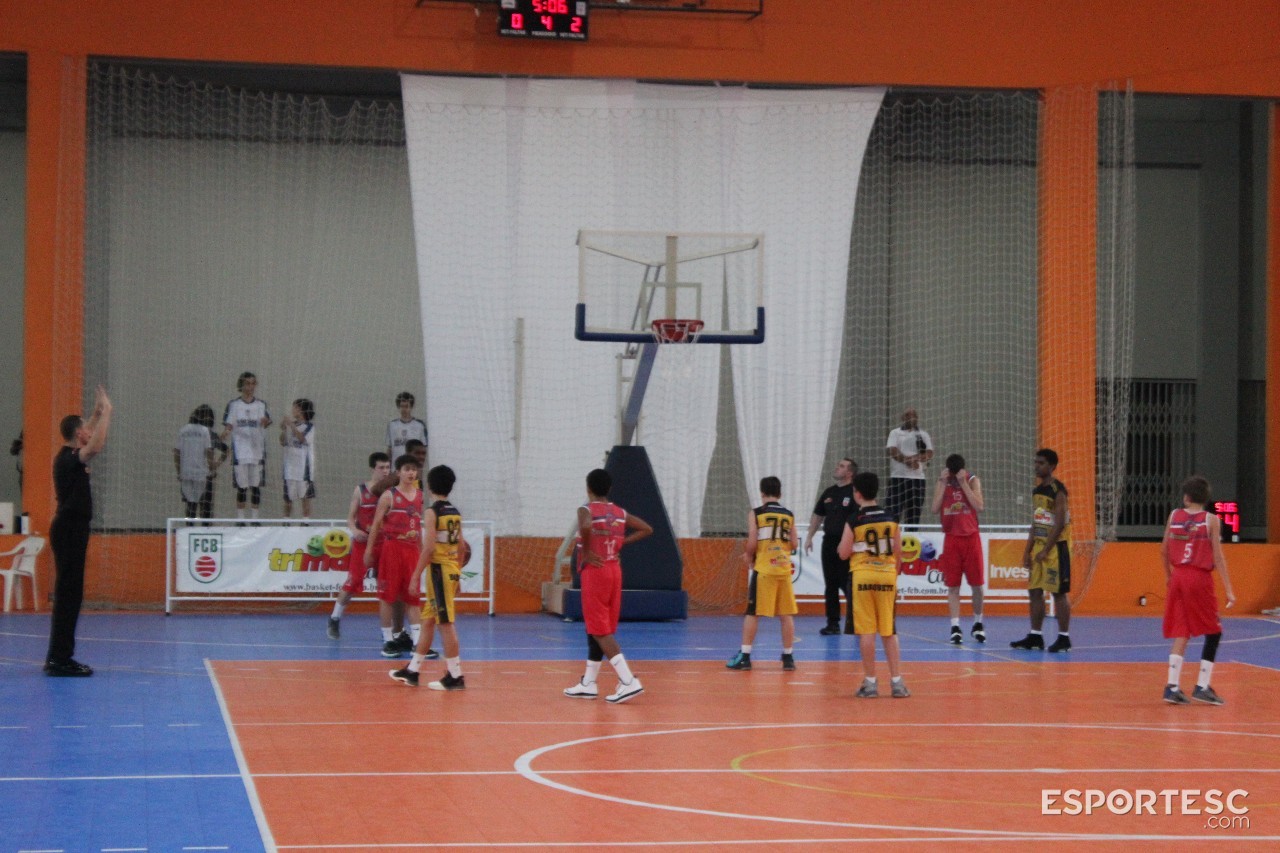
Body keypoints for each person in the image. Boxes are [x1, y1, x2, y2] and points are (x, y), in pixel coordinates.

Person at [563, 468, 653, 703]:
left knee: (600, 629)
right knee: (597, 627)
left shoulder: (586, 509)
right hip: (615, 570)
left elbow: (585, 525)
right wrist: (621, 542)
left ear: (588, 488)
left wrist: (590, 550)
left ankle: (628, 680)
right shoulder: (620, 512)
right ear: (609, 488)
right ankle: (589, 683)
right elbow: (646, 528)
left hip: (596, 571)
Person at [44, 385, 113, 677]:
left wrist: (95, 414)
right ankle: (60, 659)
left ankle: (60, 656)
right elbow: (95, 446)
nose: (89, 429)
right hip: (69, 529)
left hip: (71, 529)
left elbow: (87, 436)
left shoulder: (70, 455)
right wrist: (107, 412)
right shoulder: (70, 458)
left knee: (70, 594)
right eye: (86, 427)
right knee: (68, 594)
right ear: (78, 435)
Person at [1161, 475, 1236, 705]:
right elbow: (1218, 557)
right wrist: (1229, 589)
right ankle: (1202, 686)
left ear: (1186, 496)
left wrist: (1169, 578)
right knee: (1214, 631)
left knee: (1182, 631)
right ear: (1205, 498)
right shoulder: (1211, 520)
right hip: (1199, 578)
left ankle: (1172, 687)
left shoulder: (1174, 516)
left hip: (1178, 576)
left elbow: (1163, 551)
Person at [391, 465, 467, 690]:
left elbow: (428, 548)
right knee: (428, 622)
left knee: (445, 624)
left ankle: (456, 675)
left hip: (439, 571)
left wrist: (415, 576)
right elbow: (462, 547)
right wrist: (458, 574)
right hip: (450, 568)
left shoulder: (432, 512)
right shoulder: (454, 511)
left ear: (429, 485)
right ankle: (413, 671)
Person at [837, 471, 909, 698]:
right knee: (889, 629)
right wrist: (891, 572)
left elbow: (843, 552)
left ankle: (870, 683)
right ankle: (897, 682)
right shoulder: (892, 517)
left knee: (867, 631)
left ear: (857, 494)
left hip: (863, 577)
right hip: (887, 576)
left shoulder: (855, 520)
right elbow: (899, 553)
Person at [727, 476, 798, 671]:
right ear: (780, 494)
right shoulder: (788, 514)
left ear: (762, 493)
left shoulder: (757, 513)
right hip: (783, 569)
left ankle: (745, 656)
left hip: (765, 568)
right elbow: (794, 544)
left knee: (753, 613)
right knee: (786, 614)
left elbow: (752, 540)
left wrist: (749, 555)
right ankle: (788, 657)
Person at [1011, 448, 1073, 653]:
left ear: (1052, 466)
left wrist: (1046, 549)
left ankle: (1064, 638)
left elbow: (1060, 523)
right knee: (1035, 591)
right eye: (1035, 462)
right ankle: (1035, 636)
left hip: (1056, 548)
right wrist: (1026, 552)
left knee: (1058, 593)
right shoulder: (1037, 491)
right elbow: (1035, 522)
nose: (1037, 466)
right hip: (1039, 547)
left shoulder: (1058, 490)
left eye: (1041, 463)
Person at [327, 451, 393, 640]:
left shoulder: (392, 492)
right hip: (363, 544)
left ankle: (390, 632)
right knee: (353, 581)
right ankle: (335, 617)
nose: (385, 471)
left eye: (388, 467)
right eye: (381, 468)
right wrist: (354, 531)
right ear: (373, 468)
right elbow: (350, 517)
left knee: (387, 585)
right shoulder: (361, 490)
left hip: (384, 543)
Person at [364, 455, 424, 658]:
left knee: (413, 595)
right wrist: (369, 550)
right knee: (387, 596)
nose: (411, 473)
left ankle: (418, 642)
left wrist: (423, 550)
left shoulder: (420, 495)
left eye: (414, 469)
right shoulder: (389, 496)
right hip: (392, 549)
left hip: (412, 551)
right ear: (398, 472)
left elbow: (419, 527)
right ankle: (388, 640)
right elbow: (375, 526)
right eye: (407, 469)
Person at [931, 453, 986, 645]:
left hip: (971, 538)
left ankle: (978, 623)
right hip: (952, 539)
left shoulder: (972, 480)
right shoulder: (944, 482)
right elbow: (934, 508)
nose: (954, 476)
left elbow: (979, 506)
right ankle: (955, 627)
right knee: (953, 586)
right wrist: (943, 483)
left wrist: (963, 484)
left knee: (977, 585)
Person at [804, 457, 857, 636]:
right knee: (830, 583)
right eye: (838, 464)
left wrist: (850, 543)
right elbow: (818, 515)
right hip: (829, 542)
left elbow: (858, 520)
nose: (837, 467)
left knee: (847, 583)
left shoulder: (855, 493)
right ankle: (832, 623)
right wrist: (809, 536)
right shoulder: (829, 492)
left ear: (850, 473)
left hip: (848, 543)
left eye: (841, 466)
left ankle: (856, 620)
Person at [222, 371, 271, 521]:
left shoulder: (261, 404)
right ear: (241, 385)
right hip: (240, 451)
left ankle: (255, 519)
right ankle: (241, 519)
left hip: (257, 452)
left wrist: (265, 422)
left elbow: (267, 422)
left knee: (255, 486)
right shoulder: (234, 404)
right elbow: (229, 424)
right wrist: (224, 433)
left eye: (253, 383)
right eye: (247, 383)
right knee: (242, 487)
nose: (250, 387)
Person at [174, 404, 226, 521]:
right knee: (205, 507)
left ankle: (190, 530)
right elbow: (219, 451)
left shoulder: (184, 431)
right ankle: (204, 531)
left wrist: (179, 471)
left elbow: (177, 452)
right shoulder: (207, 433)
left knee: (191, 505)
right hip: (203, 474)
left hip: (188, 472)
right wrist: (214, 466)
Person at [884, 408, 933, 527]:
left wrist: (915, 459)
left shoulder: (923, 434)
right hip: (898, 478)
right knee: (893, 512)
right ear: (903, 418)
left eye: (914, 415)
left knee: (914, 514)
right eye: (908, 415)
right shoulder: (895, 433)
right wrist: (908, 461)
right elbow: (893, 451)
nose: (911, 417)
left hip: (917, 480)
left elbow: (929, 453)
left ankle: (912, 538)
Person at [280, 398, 316, 520]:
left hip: (303, 470)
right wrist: (284, 429)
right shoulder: (292, 425)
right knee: (288, 498)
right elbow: (282, 441)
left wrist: (290, 425)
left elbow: (302, 439)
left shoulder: (309, 426)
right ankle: (286, 523)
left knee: (304, 498)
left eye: (294, 407)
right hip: (289, 469)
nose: (292, 410)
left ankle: (305, 523)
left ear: (301, 410)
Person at [386, 391, 428, 468]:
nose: (404, 409)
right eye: (401, 406)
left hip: (413, 467)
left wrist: (420, 469)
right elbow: (390, 449)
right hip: (396, 467)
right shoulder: (392, 425)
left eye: (406, 406)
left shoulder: (420, 425)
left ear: (411, 407)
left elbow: (423, 449)